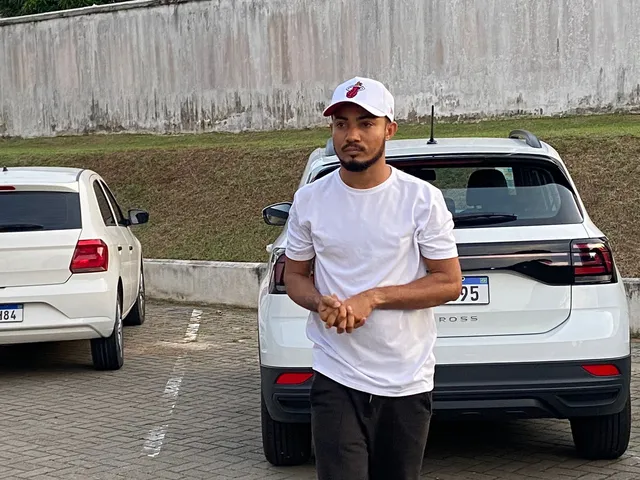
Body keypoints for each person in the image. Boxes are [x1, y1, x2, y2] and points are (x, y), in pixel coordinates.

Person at [283, 76, 462, 480]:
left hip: (406, 379)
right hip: (336, 374)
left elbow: (448, 282)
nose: (352, 135)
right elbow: (295, 276)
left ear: (389, 129)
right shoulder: (310, 199)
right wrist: (318, 301)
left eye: (366, 123)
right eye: (341, 124)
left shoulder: (420, 199)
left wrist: (374, 297)